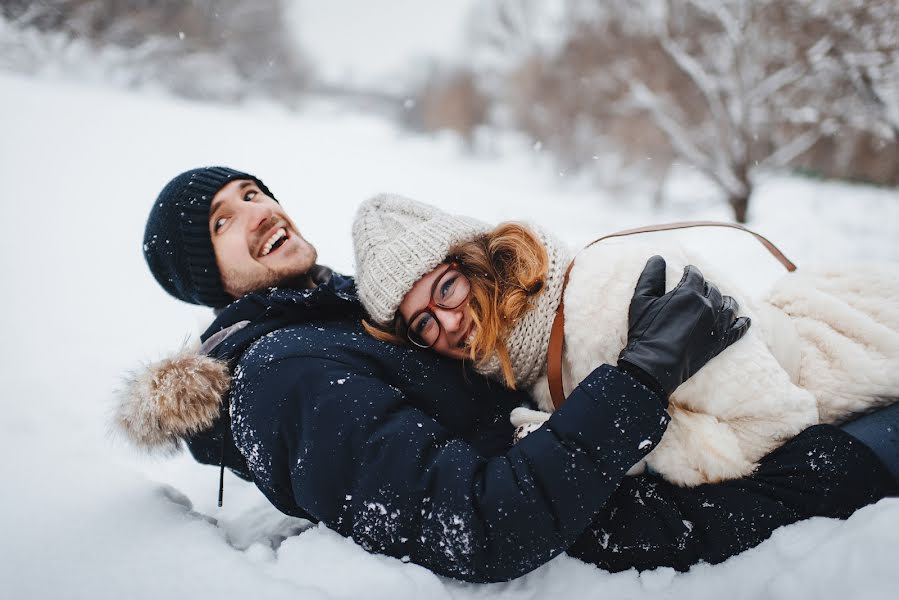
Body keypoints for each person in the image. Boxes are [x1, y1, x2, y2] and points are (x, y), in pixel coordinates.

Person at [118, 166, 897, 583]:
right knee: (860, 451)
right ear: (206, 277)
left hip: (619, 468)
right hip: (629, 520)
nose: (255, 211)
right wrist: (640, 377)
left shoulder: (345, 311)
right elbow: (476, 525)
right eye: (223, 220)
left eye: (252, 192)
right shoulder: (281, 377)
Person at [352, 195, 899, 487]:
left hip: (846, 375)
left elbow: (778, 423)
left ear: (479, 262)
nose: (446, 325)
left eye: (446, 289)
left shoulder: (616, 294)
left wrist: (611, 443)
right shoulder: (528, 358)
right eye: (422, 322)